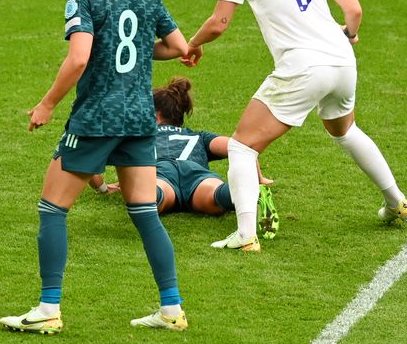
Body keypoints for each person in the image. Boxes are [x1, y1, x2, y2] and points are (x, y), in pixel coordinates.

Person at [182, 0, 407, 251]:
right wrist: (348, 35)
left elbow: (219, 22)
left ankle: (245, 236)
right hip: (341, 60)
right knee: (345, 130)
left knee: (243, 146)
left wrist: (193, 44)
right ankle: (396, 201)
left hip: (304, 66)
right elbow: (353, 10)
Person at [0, 0, 191, 336]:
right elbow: (178, 46)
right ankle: (171, 307)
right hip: (140, 119)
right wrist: (145, 51)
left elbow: (79, 57)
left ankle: (49, 307)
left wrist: (47, 103)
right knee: (144, 213)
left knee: (51, 208)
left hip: (97, 118)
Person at [93, 77, 279, 237]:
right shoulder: (199, 136)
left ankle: (148, 193)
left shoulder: (139, 135)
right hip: (197, 175)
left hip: (160, 175)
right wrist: (257, 178)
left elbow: (92, 158)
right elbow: (240, 147)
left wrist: (102, 187)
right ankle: (251, 193)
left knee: (149, 198)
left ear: (155, 115)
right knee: (216, 197)